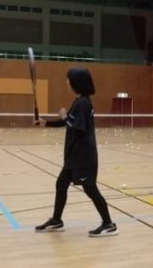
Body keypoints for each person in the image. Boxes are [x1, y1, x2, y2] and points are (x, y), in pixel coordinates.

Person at [34, 68, 117, 237]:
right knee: (61, 184)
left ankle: (109, 224)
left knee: (90, 188)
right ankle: (56, 220)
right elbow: (70, 123)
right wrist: (46, 123)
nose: (66, 82)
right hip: (74, 156)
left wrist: (65, 116)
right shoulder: (79, 101)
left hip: (83, 156)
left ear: (76, 82)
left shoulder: (83, 103)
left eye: (68, 79)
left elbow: (77, 128)